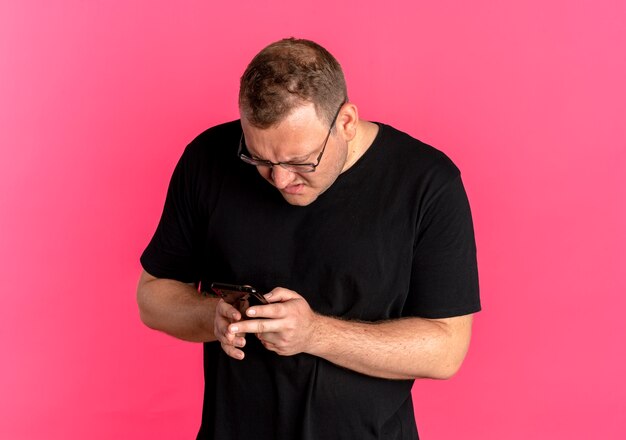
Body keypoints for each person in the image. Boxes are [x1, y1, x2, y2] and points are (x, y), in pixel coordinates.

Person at [137, 37, 480, 440]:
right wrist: (210, 317)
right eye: (260, 159)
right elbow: (152, 296)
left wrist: (314, 334)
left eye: (302, 161)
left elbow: (446, 350)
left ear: (347, 122)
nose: (281, 180)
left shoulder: (427, 183)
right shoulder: (207, 157)